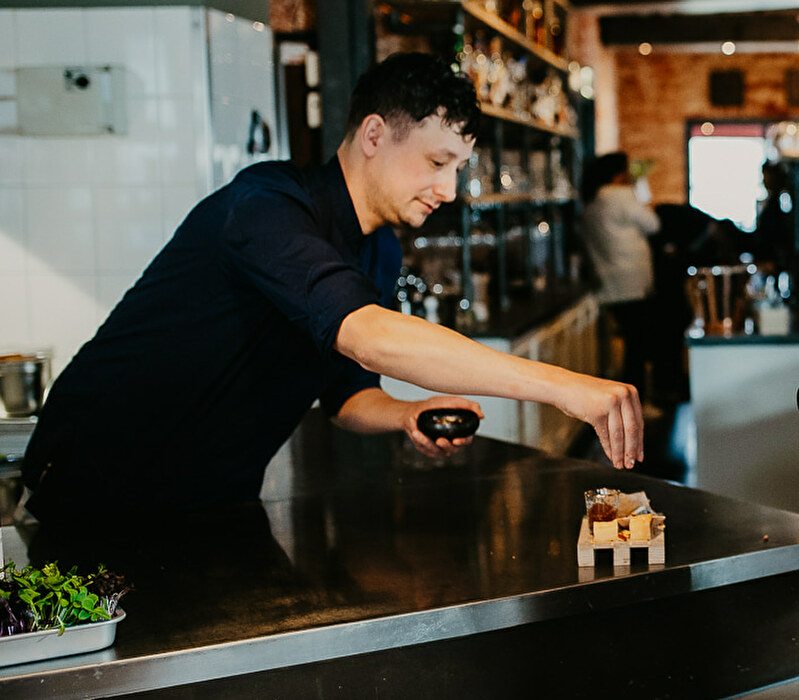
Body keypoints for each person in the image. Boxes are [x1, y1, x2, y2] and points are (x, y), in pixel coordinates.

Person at [21, 53, 643, 528]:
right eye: (436, 162)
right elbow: (368, 338)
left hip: (210, 505)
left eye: (459, 168)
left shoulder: (378, 248)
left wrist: (405, 415)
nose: (450, 190)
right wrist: (564, 386)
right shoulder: (265, 206)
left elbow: (346, 392)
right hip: (93, 493)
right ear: (374, 135)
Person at [581, 152, 660, 400]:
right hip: (632, 283)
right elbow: (653, 224)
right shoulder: (621, 196)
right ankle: (635, 404)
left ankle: (621, 401)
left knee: (627, 344)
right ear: (618, 174)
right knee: (638, 346)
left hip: (608, 282)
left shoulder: (592, 200)